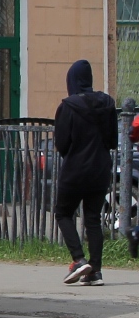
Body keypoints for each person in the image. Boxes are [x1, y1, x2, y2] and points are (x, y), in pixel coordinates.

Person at [53, 59, 116, 286]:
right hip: (100, 170)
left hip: (75, 171)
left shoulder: (68, 106)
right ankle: (95, 271)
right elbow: (112, 140)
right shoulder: (108, 103)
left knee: (63, 213)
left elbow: (63, 143)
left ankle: (79, 260)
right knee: (93, 220)